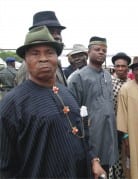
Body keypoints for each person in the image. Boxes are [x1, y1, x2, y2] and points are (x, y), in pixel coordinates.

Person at [0, 26, 106, 178]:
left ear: (57, 57)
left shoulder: (66, 92)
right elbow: (4, 167)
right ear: (25, 60)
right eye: (35, 53)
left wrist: (93, 160)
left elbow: (83, 135)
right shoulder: (12, 105)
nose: (43, 58)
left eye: (49, 52)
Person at [67, 36, 118, 175]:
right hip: (90, 133)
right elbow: (71, 111)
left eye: (104, 50)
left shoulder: (107, 76)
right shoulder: (78, 77)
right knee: (89, 169)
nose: (101, 52)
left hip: (108, 130)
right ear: (89, 52)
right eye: (97, 49)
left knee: (105, 166)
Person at [15, 11, 67, 86]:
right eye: (51, 32)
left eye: (59, 33)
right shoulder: (29, 68)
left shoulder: (55, 63)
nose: (57, 36)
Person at [110, 52, 132, 178]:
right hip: (113, 125)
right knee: (116, 153)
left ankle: (127, 174)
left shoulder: (131, 83)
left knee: (128, 152)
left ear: (127, 68)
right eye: (117, 66)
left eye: (123, 66)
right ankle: (117, 175)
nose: (120, 69)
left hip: (129, 125)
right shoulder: (108, 83)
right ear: (114, 67)